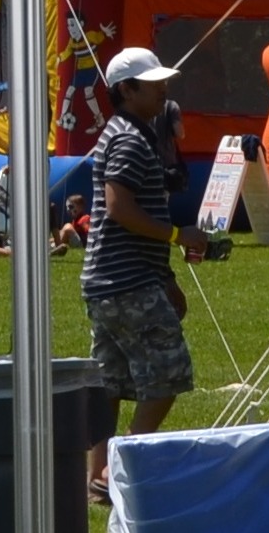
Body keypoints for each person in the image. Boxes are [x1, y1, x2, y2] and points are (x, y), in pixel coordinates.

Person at [82, 46, 192, 497]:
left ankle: (96, 478)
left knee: (110, 381)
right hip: (125, 280)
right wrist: (176, 236)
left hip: (108, 278)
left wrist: (165, 276)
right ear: (125, 90)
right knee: (168, 373)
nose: (163, 90)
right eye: (154, 84)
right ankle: (124, 469)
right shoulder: (129, 138)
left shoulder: (123, 131)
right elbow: (119, 207)